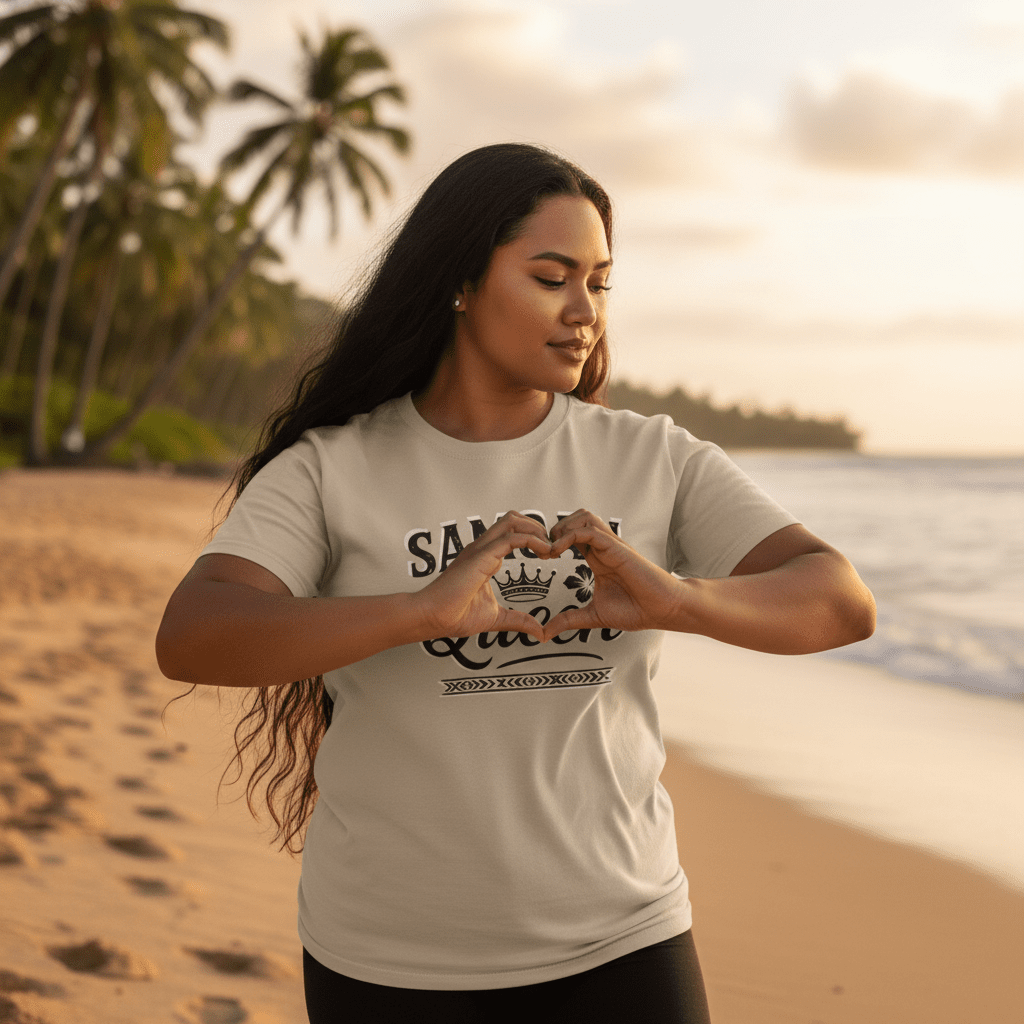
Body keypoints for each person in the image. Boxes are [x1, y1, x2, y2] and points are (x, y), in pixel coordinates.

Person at [156, 142, 875, 1024]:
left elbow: (838, 600)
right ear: (461, 281)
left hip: (624, 937)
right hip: (388, 955)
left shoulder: (650, 456)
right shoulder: (333, 469)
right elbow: (194, 632)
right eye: (552, 277)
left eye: (600, 283)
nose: (586, 312)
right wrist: (415, 612)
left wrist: (677, 599)